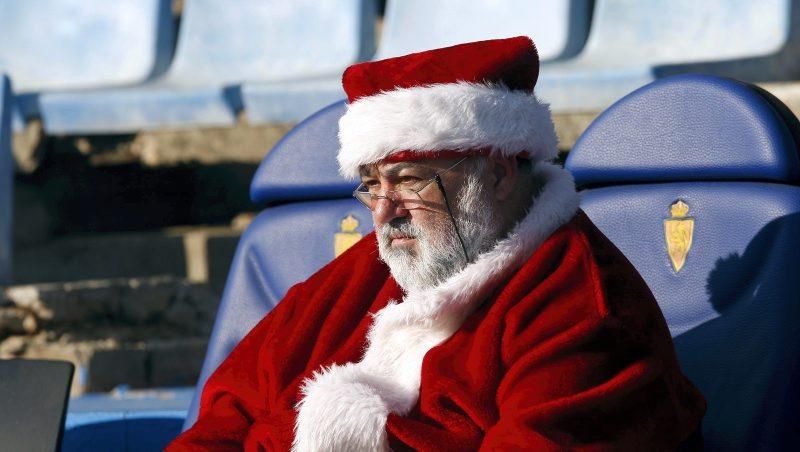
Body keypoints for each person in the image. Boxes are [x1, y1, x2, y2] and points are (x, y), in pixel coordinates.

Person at [168, 36, 706, 451]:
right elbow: (228, 411)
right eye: (371, 184)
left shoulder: (584, 308)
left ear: (497, 175)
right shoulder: (370, 270)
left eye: (409, 181)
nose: (383, 210)